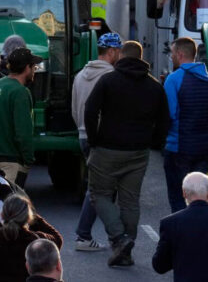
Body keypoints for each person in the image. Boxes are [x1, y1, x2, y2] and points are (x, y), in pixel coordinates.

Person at [84, 39, 170, 267]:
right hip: (138, 151)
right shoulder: (154, 86)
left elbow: (90, 111)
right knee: (130, 201)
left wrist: (94, 139)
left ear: (121, 55)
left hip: (107, 148)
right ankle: (126, 250)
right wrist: (154, 143)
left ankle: (119, 238)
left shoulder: (108, 81)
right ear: (141, 58)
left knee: (99, 194)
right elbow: (164, 121)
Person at [69, 32, 123, 252]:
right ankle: (84, 235)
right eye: (118, 51)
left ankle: (102, 235)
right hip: (102, 138)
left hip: (83, 135)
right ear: (112, 52)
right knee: (99, 189)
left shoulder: (80, 75)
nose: (119, 55)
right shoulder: (112, 76)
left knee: (99, 187)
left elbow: (74, 109)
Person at [163, 37, 208, 213]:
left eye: (172, 53)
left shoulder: (173, 79)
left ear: (180, 54)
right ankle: (198, 232)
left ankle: (181, 234)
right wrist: (207, 134)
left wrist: (170, 136)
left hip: (178, 148)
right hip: (203, 148)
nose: (171, 56)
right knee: (198, 196)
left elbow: (171, 114)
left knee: (178, 195)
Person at [0, 193, 62, 282]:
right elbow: (57, 239)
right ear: (28, 216)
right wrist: (34, 218)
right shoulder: (35, 241)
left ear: (2, 214)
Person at [0, 47, 42, 186]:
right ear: (27, 68)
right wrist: (29, 159)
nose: (35, 69)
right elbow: (23, 132)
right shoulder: (21, 92)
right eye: (33, 66)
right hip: (11, 162)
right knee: (9, 204)